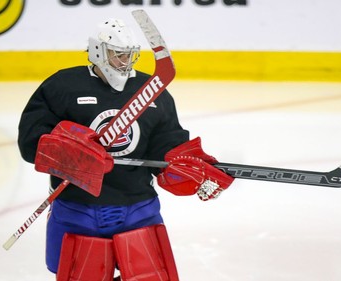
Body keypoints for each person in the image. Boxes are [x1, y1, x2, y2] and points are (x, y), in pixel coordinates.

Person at [17, 18, 234, 281]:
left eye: (129, 56)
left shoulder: (152, 91)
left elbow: (166, 143)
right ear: (97, 51)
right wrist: (70, 152)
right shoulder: (62, 86)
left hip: (138, 207)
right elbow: (31, 142)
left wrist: (184, 164)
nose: (124, 62)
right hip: (79, 208)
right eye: (117, 55)